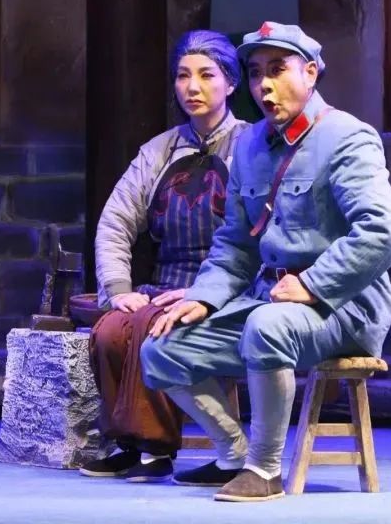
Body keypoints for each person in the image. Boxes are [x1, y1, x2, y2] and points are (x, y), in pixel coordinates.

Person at [140, 21, 391, 502]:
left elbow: (383, 231)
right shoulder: (249, 146)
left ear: (310, 73)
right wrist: (204, 298)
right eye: (256, 72)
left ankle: (265, 470)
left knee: (266, 326)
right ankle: (233, 455)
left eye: (278, 69)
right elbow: (235, 242)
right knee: (163, 346)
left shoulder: (346, 137)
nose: (264, 84)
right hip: (272, 302)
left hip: (344, 307)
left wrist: (313, 284)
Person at [79, 30, 250, 483]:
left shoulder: (252, 146)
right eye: (182, 76)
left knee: (150, 325)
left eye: (206, 75)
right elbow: (115, 222)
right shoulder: (159, 151)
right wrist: (119, 290)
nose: (192, 87)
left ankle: (154, 448)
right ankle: (126, 443)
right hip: (165, 282)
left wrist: (205, 292)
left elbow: (260, 232)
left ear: (231, 82)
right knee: (111, 329)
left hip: (222, 287)